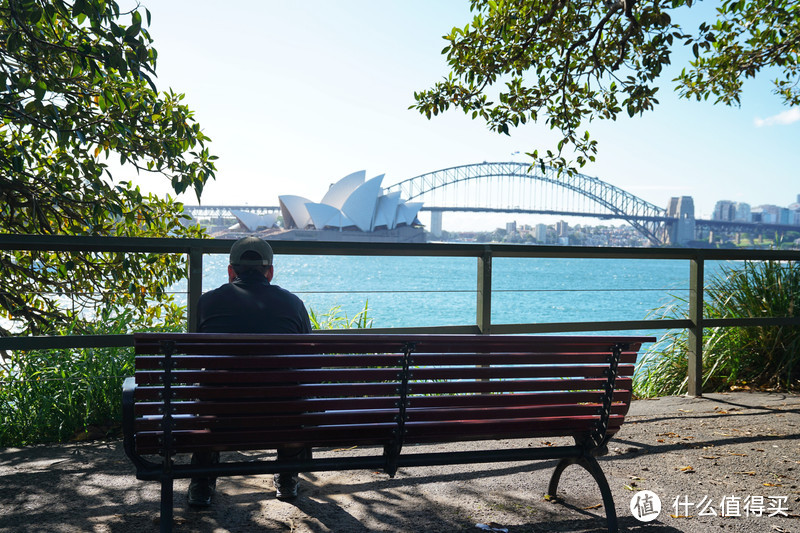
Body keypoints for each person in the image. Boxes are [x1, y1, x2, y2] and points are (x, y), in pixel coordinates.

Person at [188, 236, 312, 507]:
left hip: (221, 415)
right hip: (281, 417)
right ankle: (287, 474)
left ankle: (201, 479)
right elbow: (309, 362)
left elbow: (194, 356)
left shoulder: (207, 303)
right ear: (270, 272)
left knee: (206, 396)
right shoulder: (293, 304)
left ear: (231, 271)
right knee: (292, 397)